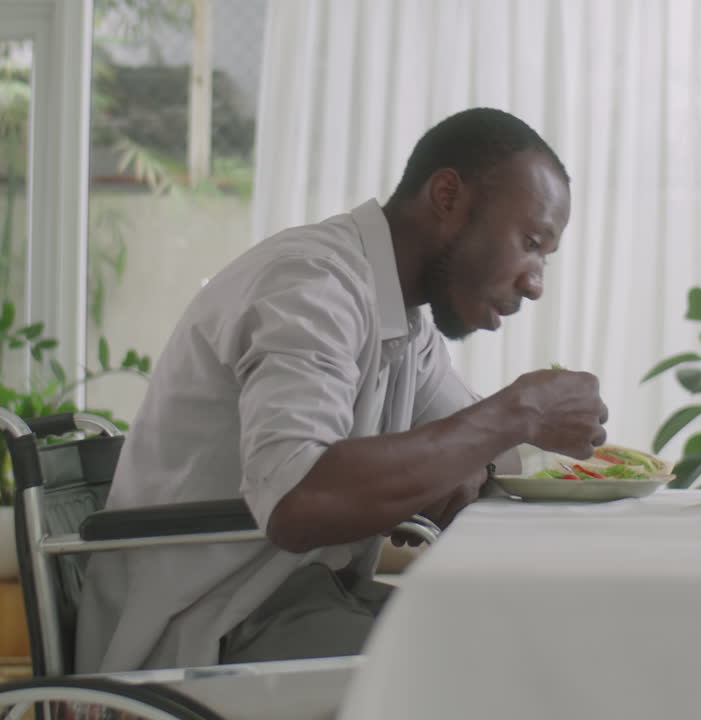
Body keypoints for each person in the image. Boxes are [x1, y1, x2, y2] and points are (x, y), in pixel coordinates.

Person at [76, 107, 609, 672]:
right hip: (207, 628)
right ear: (448, 195)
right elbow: (298, 499)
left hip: (307, 605)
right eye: (530, 241)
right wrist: (518, 413)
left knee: (529, 640)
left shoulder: (404, 325)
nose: (534, 284)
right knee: (497, 672)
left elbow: (490, 450)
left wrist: (505, 446)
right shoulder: (310, 284)